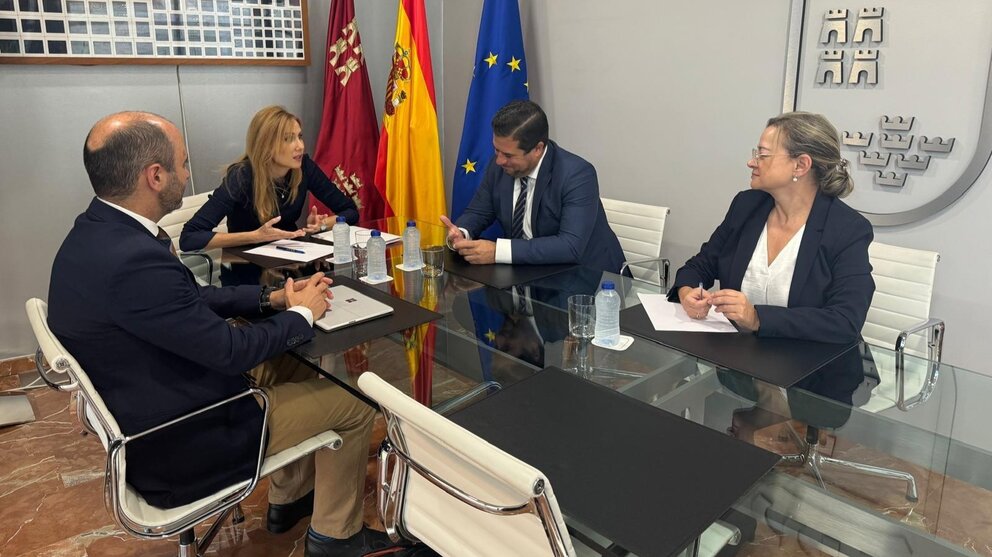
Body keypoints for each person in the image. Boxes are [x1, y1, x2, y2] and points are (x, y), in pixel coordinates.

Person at [49, 112, 387, 557]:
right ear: (155, 176)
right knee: (355, 403)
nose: (189, 176)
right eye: (184, 165)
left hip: (160, 395)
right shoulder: (135, 261)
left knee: (291, 357)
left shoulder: (97, 233)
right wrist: (303, 314)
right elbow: (229, 352)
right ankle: (336, 539)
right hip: (184, 440)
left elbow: (192, 300)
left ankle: (289, 501)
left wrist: (275, 302)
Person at [668, 111, 874, 344]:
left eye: (762, 155)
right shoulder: (746, 206)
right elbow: (699, 266)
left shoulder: (848, 229)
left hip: (810, 369)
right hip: (739, 362)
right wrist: (687, 292)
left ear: (801, 165)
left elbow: (845, 321)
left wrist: (757, 318)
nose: (751, 162)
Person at [439, 100, 625, 273]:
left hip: (588, 279)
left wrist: (497, 251)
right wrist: (462, 233)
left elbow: (570, 246)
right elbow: (479, 212)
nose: (499, 160)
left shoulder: (577, 175)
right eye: (496, 150)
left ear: (538, 149)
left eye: (509, 155)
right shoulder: (499, 166)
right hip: (530, 274)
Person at [179, 105, 359, 251]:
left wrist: (321, 225)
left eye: (299, 137)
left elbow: (350, 211)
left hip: (292, 258)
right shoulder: (241, 176)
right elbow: (189, 238)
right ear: (266, 145)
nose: (300, 146)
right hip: (247, 269)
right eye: (289, 139)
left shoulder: (304, 166)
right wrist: (256, 236)